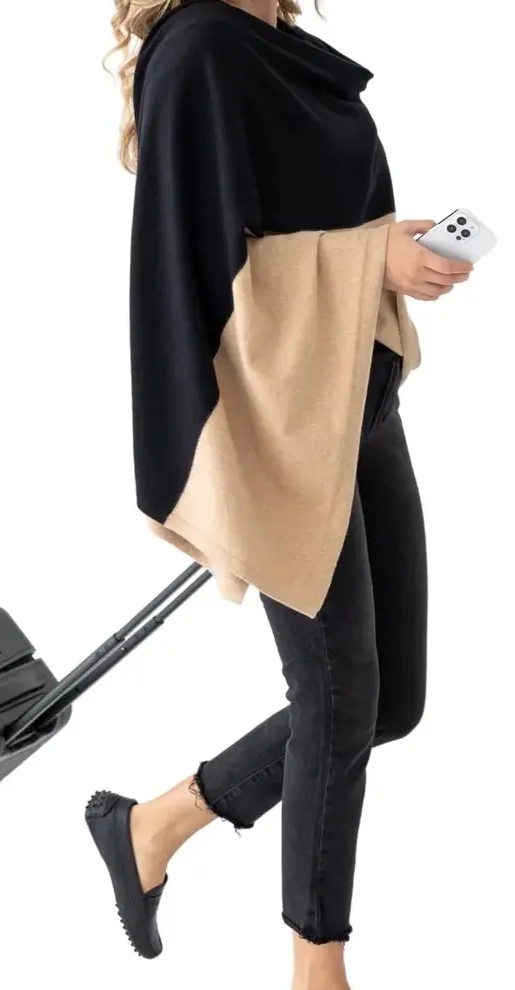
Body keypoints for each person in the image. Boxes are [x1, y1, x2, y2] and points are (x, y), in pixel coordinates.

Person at [85, 2, 474, 988]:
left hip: (354, 402)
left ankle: (154, 824)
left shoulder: (279, 48)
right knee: (337, 696)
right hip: (282, 424)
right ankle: (316, 966)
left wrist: (382, 246)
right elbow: (197, 267)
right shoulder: (202, 48)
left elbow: (287, 223)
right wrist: (367, 258)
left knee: (390, 700)